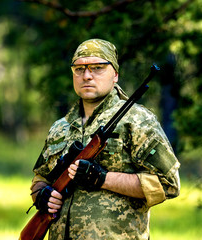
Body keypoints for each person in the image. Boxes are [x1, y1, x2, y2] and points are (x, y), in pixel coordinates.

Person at [30, 39, 180, 240]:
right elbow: (40, 178)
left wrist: (101, 178)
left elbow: (168, 184)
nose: (87, 76)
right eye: (79, 69)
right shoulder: (60, 127)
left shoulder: (136, 121)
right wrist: (42, 195)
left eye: (97, 68)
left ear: (115, 75)